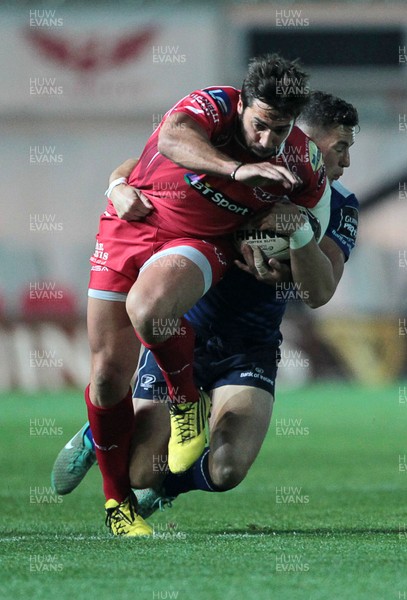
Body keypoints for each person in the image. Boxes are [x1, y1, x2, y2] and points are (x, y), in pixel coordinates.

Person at [52, 91, 358, 524]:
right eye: (340, 147)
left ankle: (165, 490)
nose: (345, 162)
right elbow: (144, 165)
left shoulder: (340, 203)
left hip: (248, 345)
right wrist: (117, 187)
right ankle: (103, 430)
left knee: (227, 469)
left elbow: (320, 290)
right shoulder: (249, 158)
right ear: (304, 136)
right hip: (183, 333)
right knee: (140, 471)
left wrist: (296, 233)